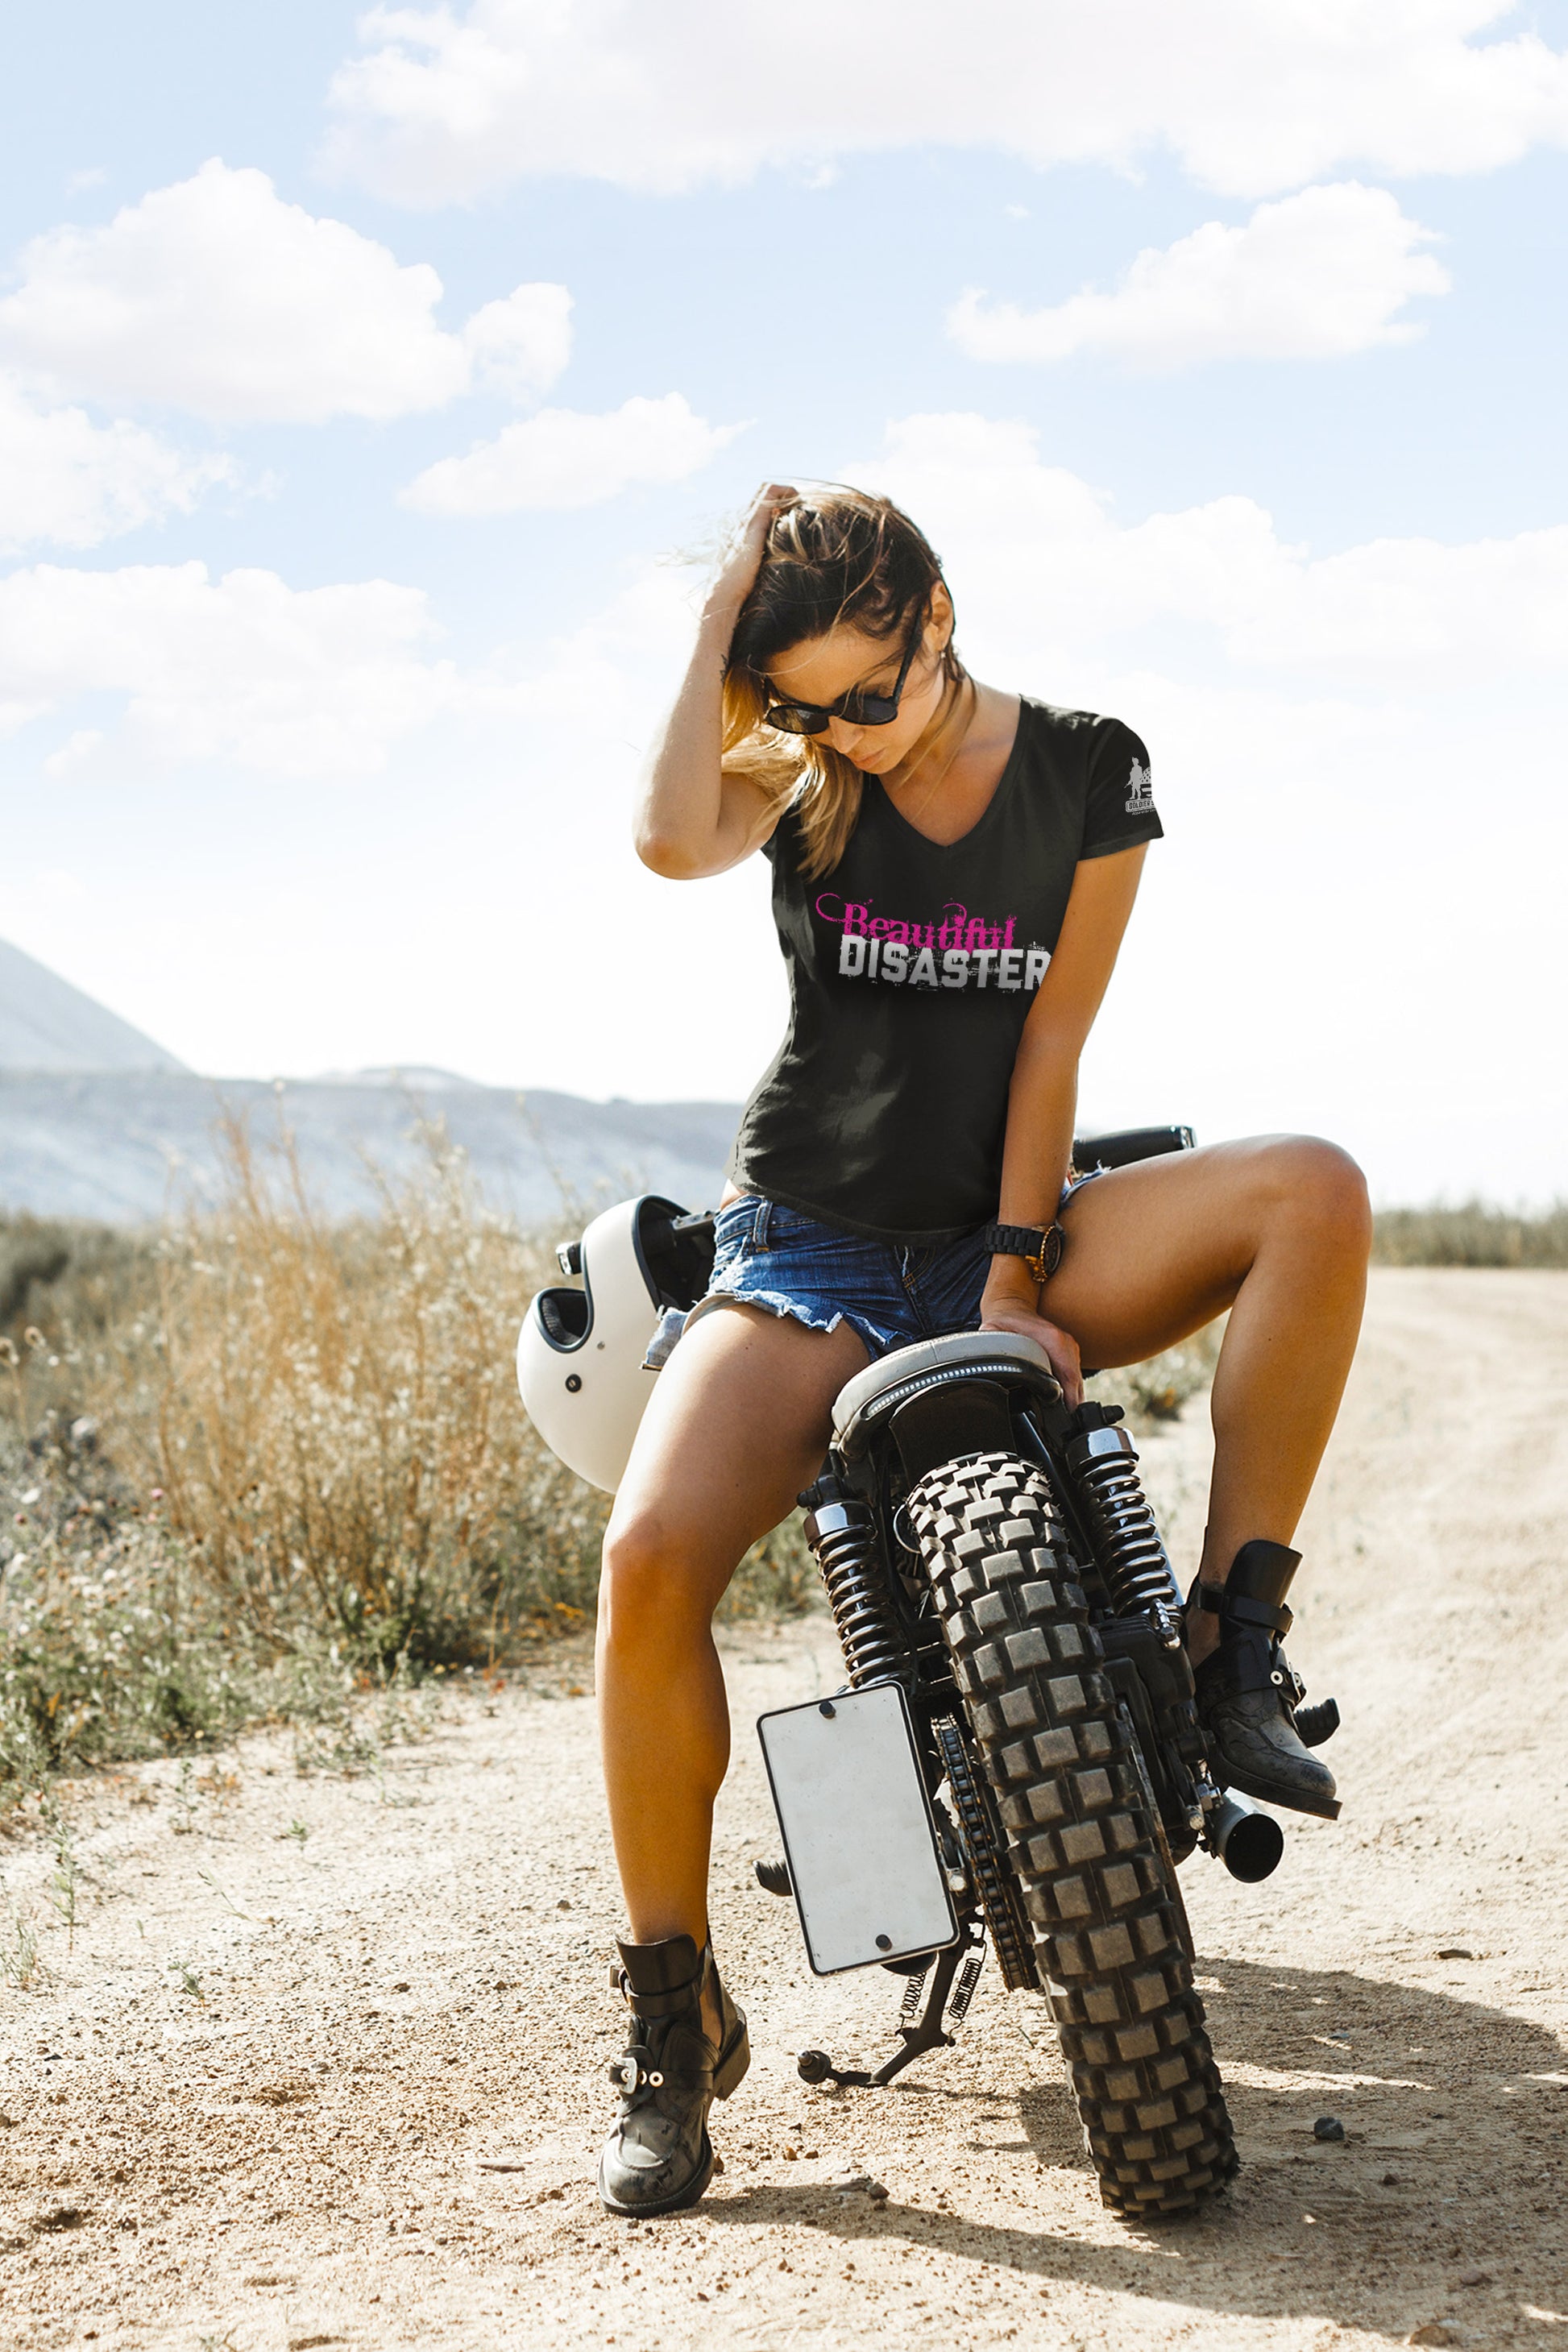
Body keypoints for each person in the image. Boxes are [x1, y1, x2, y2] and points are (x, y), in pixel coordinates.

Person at [593, 483, 1372, 2218]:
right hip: (807, 1242)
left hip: (1007, 1223)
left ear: (936, 614)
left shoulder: (1086, 768)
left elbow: (1052, 1038)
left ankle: (1231, 1644)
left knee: (1313, 1189)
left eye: (868, 692)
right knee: (645, 1561)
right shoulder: (804, 775)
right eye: (805, 706)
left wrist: (1016, 1271)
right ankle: (671, 2017)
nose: (847, 734)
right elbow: (663, 839)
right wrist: (721, 620)